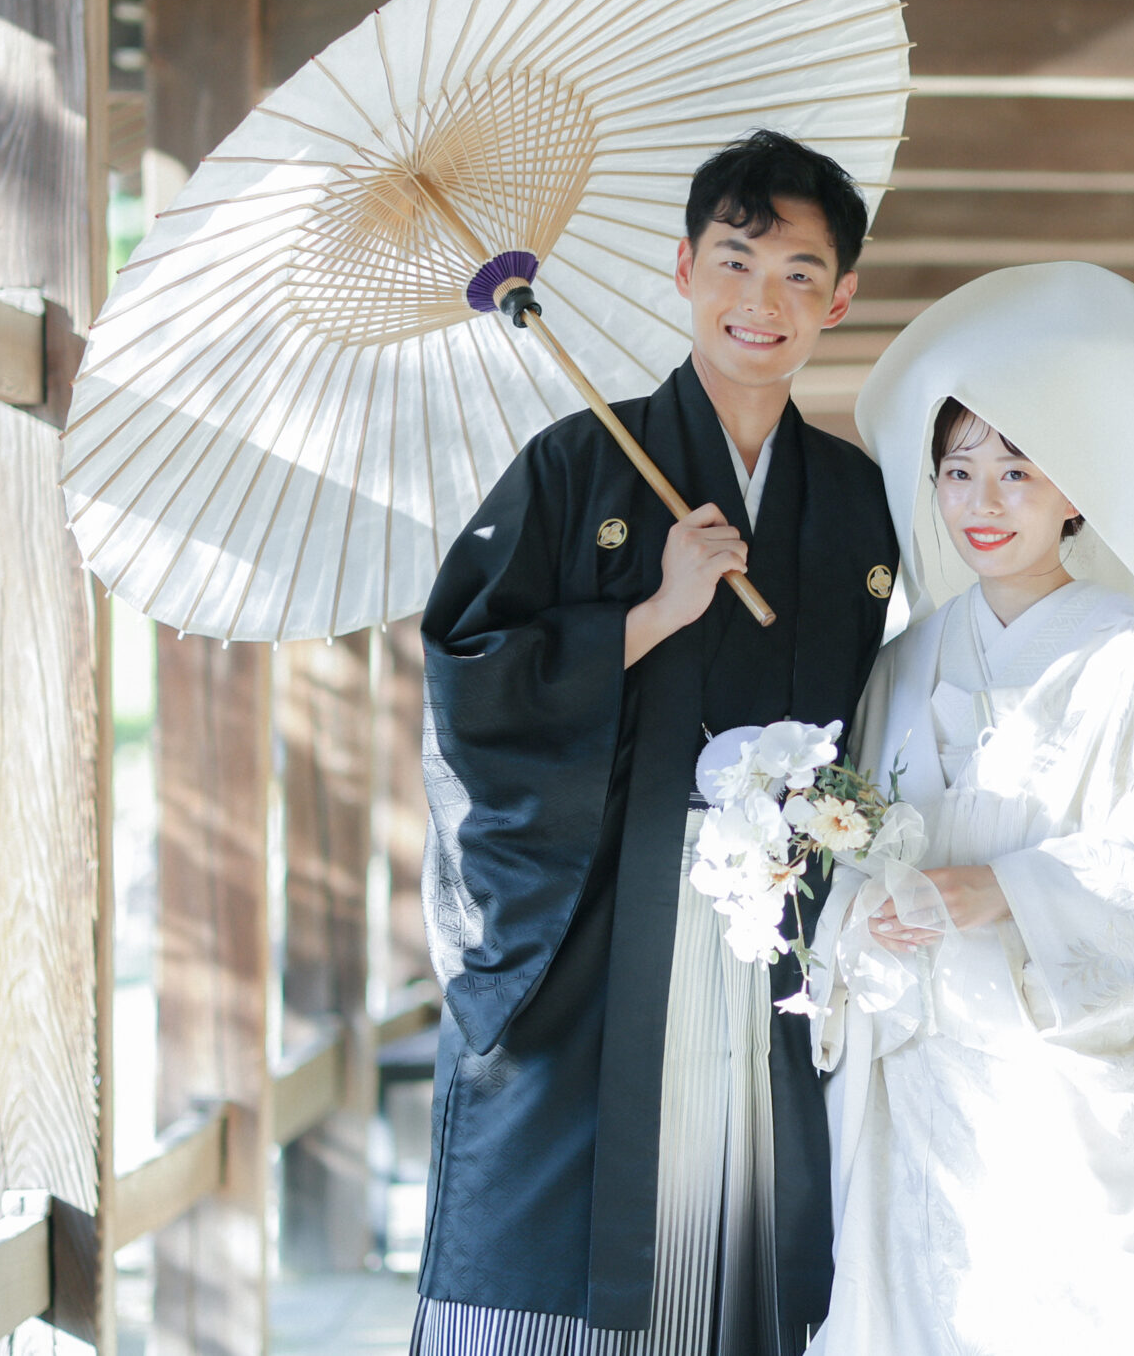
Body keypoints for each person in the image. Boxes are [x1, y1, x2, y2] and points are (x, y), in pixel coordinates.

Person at [412, 130, 901, 1356]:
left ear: (839, 299)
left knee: (745, 1240)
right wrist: (652, 614)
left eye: (798, 272)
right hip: (601, 928)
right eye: (735, 261)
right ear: (682, 269)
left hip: (781, 933)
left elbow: (890, 710)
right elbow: (467, 678)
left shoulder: (858, 501)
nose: (761, 300)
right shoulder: (577, 465)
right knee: (566, 1230)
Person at [804, 262, 1134, 1356]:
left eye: (1015, 472)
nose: (981, 504)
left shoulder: (1127, 660)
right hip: (922, 1072)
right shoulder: (901, 663)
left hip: (1058, 1078)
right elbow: (855, 840)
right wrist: (867, 913)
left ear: (1072, 490)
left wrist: (1005, 889)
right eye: (957, 471)